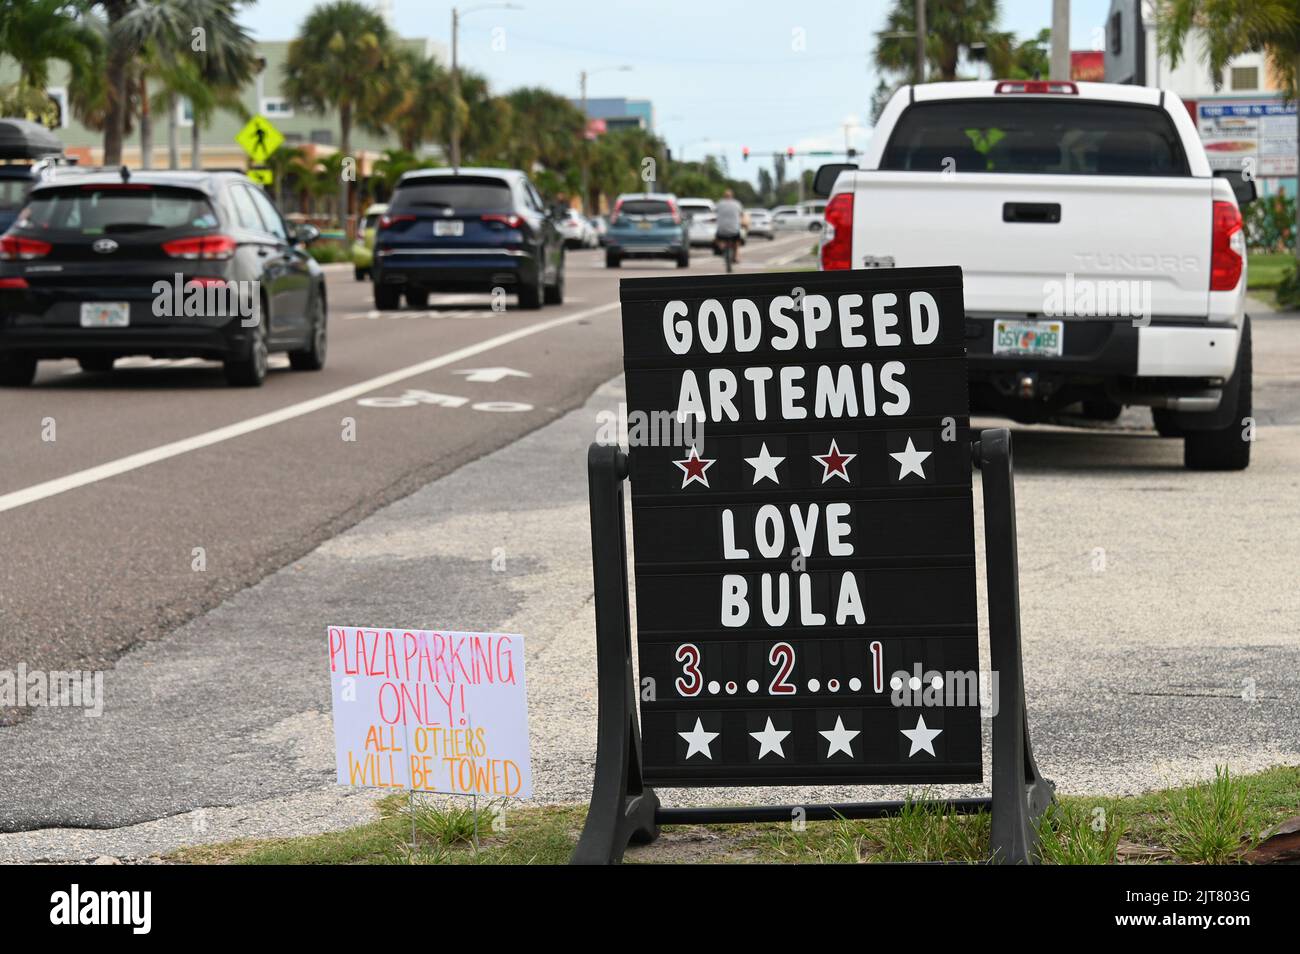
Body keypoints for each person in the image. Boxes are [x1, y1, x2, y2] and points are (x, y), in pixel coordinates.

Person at [714, 189, 746, 263]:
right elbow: (742, 214)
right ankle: (736, 257)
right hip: (734, 230)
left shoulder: (719, 203)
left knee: (717, 239)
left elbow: (715, 211)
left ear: (724, 196)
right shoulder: (737, 204)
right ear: (732, 196)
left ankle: (723, 248)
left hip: (722, 230)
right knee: (737, 242)